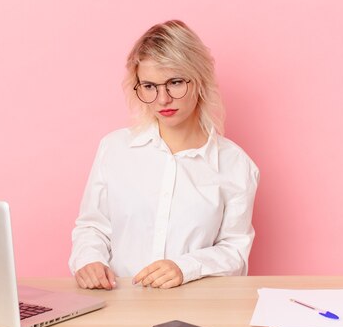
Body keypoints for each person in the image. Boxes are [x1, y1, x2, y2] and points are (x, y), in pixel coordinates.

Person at [68, 20, 259, 290]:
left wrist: (184, 267)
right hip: (119, 308)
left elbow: (235, 251)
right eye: (149, 86)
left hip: (195, 311)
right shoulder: (114, 149)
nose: (162, 99)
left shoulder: (236, 165)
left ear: (200, 80)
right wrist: (89, 261)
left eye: (175, 83)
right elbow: (92, 227)